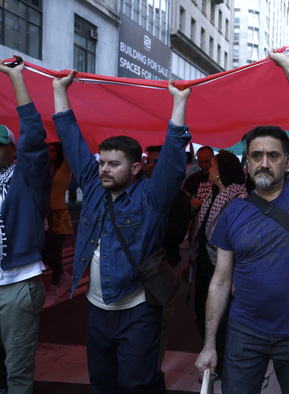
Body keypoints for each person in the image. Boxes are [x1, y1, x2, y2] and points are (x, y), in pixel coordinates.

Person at [194, 48, 289, 393]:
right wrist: (209, 343)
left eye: (273, 155)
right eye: (256, 155)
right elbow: (221, 282)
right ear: (247, 163)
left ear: (288, 162)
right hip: (244, 333)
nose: (264, 162)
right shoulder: (232, 212)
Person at [52, 70, 192, 393]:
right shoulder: (93, 183)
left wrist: (179, 103)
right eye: (101, 162)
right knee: (102, 383)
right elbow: (71, 140)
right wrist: (60, 90)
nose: (103, 169)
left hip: (138, 311)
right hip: (97, 311)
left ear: (135, 168)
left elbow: (172, 162)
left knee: (135, 385)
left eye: (113, 164)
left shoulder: (151, 198)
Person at [0, 55, 50, 394]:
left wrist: (16, 78)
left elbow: (34, 135)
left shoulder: (25, 176)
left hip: (16, 284)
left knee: (16, 372)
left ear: (10, 149)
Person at [187, 149, 247, 377]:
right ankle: (214, 357)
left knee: (222, 320)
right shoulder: (213, 196)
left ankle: (221, 364)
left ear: (221, 172)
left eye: (211, 166)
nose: (208, 169)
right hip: (204, 266)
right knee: (204, 315)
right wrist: (190, 261)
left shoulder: (239, 199)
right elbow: (202, 232)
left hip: (222, 270)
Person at [145, 144, 192, 371]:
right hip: (134, 278)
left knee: (157, 332)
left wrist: (148, 225)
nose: (150, 166)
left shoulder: (178, 197)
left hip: (161, 274)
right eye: (149, 161)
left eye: (156, 162)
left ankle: (151, 378)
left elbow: (176, 234)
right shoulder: (137, 191)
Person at [43, 142, 74, 308]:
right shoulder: (45, 167)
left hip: (59, 215)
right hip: (44, 215)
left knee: (55, 254)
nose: (49, 153)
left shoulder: (66, 167)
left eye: (53, 150)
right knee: (42, 252)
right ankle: (65, 277)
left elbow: (71, 148)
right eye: (48, 150)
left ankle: (53, 291)